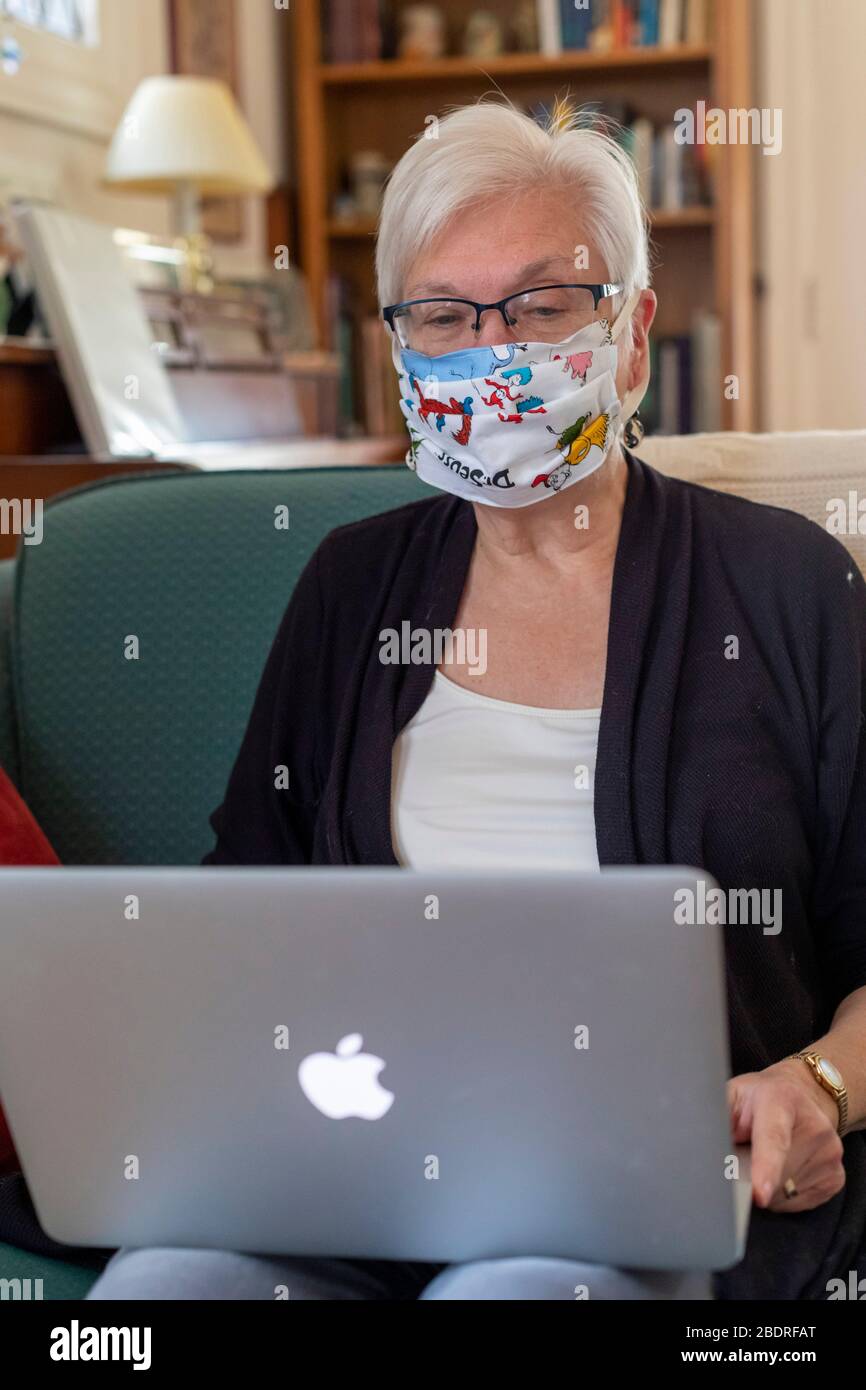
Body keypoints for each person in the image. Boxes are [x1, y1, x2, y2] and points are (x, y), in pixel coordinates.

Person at [87, 100, 866, 1301]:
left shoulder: (785, 584)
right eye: (444, 316)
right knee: (161, 1289)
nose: (490, 352)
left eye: (542, 306)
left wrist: (816, 1086)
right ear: (400, 345)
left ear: (629, 329)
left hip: (666, 1196)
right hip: (356, 1173)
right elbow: (243, 907)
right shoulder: (352, 587)